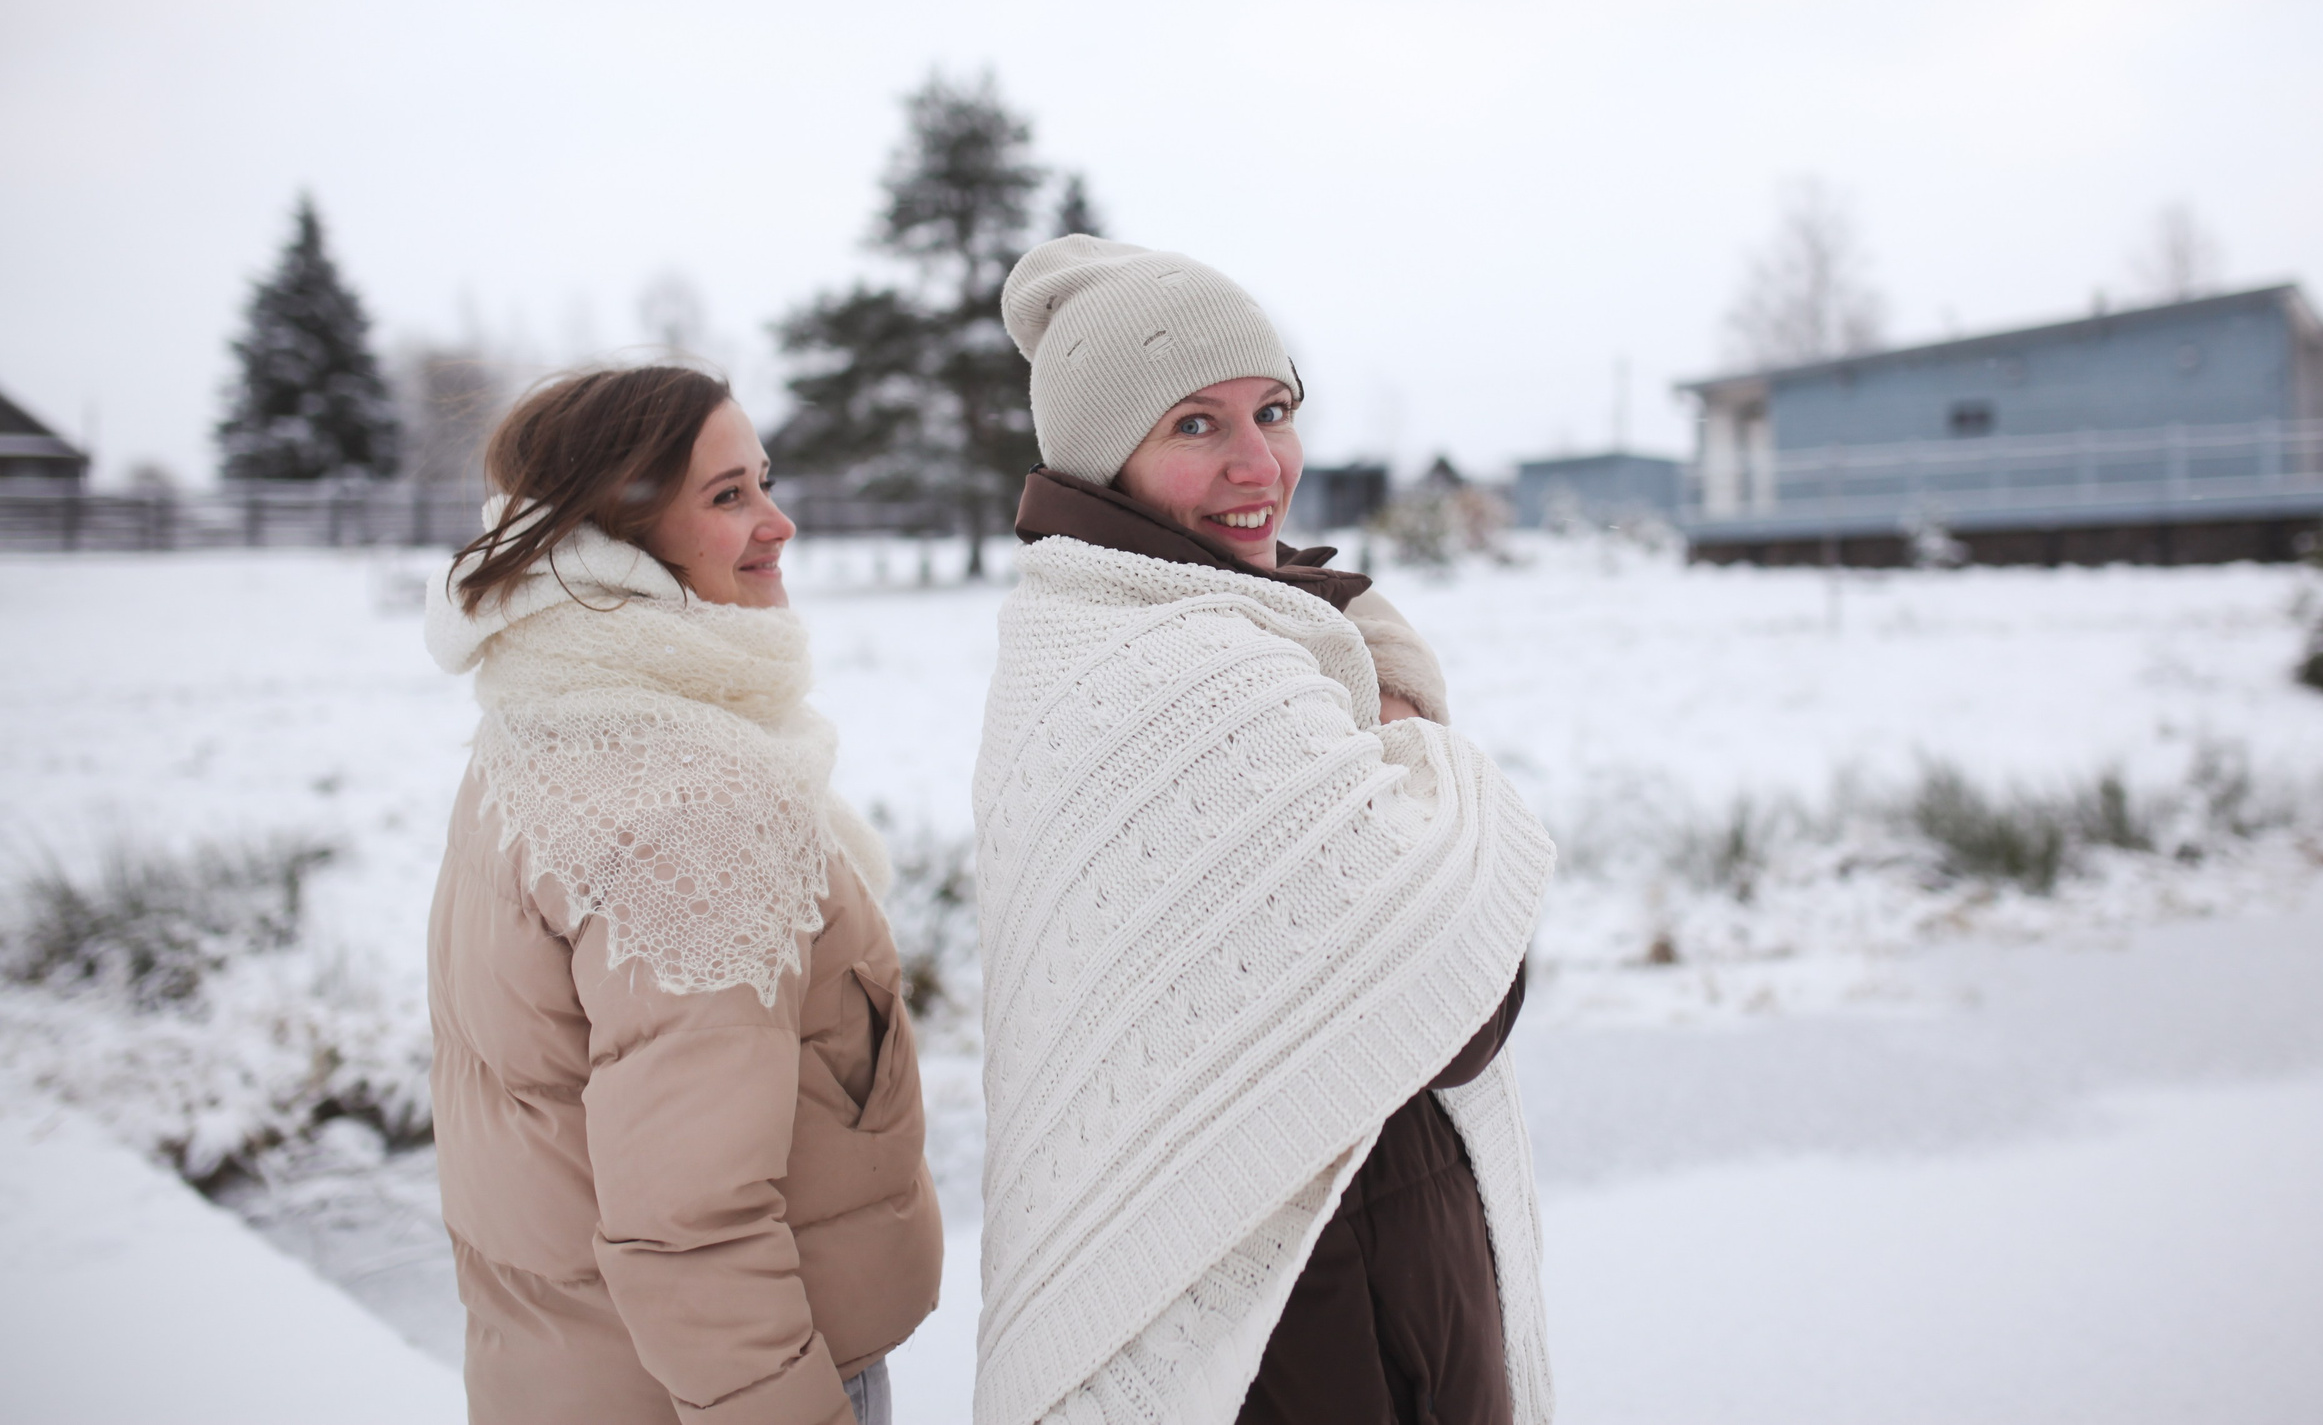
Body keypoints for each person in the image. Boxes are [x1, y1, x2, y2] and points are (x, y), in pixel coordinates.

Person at [971, 237, 1556, 1425]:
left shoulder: (1163, 633)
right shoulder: (1190, 677)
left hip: (1353, 1237)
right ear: (1104, 455)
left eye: (1274, 410)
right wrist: (1421, 753)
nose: (1260, 464)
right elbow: (1463, 1014)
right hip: (1301, 1287)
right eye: (1195, 425)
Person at [424, 365, 939, 1425]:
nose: (779, 522)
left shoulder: (543, 706)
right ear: (616, 531)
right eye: (728, 496)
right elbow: (688, 1216)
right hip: (729, 1386)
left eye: (764, 481)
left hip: (571, 1368)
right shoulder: (688, 797)